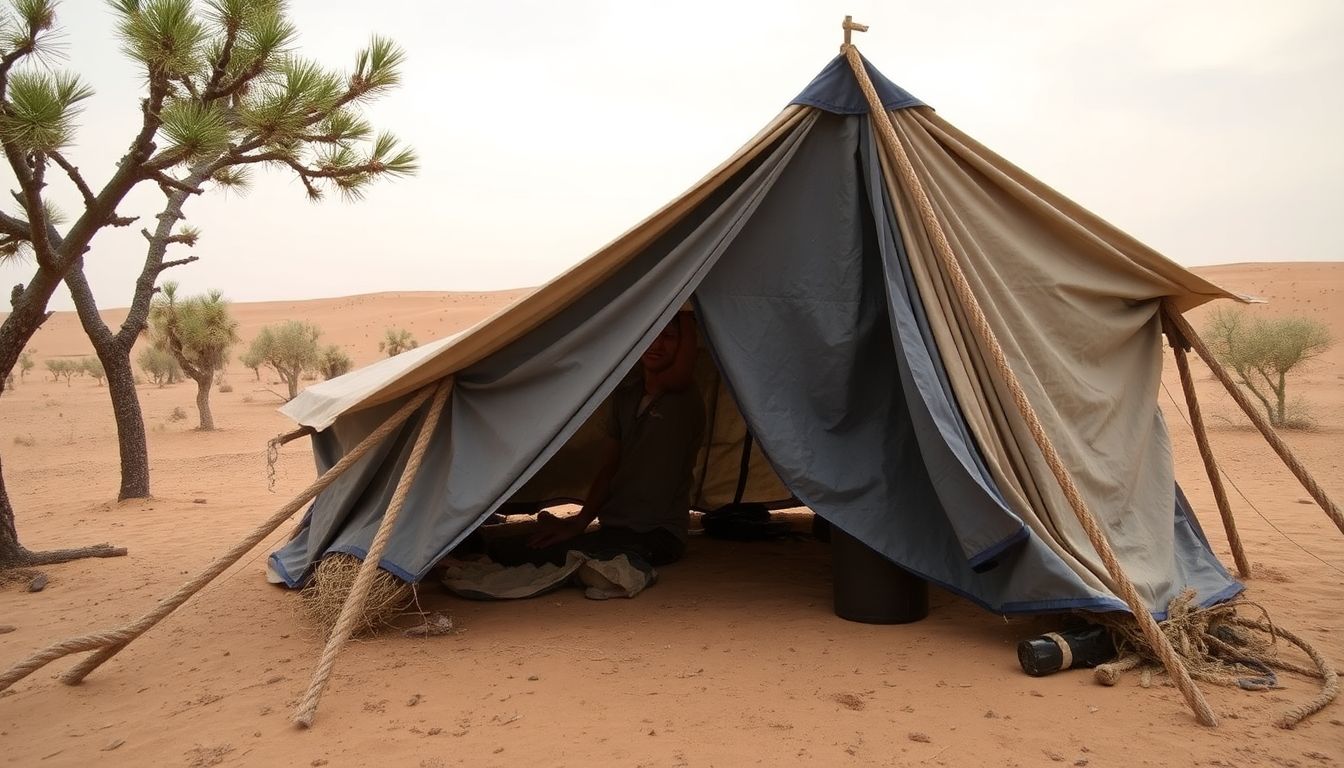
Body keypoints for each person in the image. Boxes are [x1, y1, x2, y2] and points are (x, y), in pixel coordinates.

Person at [486, 310, 705, 567]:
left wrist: (688, 312)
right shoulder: (627, 395)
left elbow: (680, 375)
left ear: (683, 345)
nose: (656, 344)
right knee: (515, 550)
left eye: (668, 336)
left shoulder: (683, 396)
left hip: (659, 535)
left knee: (552, 559)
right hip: (616, 527)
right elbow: (609, 467)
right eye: (652, 334)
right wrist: (580, 523)